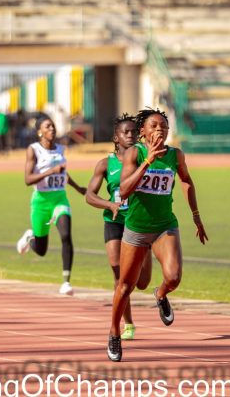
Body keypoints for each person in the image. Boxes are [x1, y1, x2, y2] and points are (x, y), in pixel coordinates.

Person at [106, 108, 208, 362]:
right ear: (143, 132)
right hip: (137, 229)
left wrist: (195, 215)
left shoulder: (175, 155)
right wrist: (147, 161)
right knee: (126, 286)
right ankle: (114, 332)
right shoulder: (134, 154)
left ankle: (160, 294)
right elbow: (125, 190)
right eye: (154, 126)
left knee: (173, 278)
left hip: (165, 227)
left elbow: (186, 180)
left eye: (164, 126)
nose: (160, 130)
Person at [85, 114, 152, 340]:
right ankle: (128, 323)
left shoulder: (144, 158)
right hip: (114, 222)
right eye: (126, 132)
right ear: (116, 137)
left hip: (139, 223)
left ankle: (147, 251)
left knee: (142, 283)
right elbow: (89, 195)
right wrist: (110, 204)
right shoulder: (105, 164)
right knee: (119, 274)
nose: (131, 136)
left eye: (134, 132)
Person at [16, 115, 86, 295]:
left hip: (59, 199)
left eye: (53, 126)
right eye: (48, 127)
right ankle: (30, 237)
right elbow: (27, 179)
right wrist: (50, 171)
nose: (52, 129)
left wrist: (78, 188)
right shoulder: (34, 150)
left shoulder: (61, 149)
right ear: (40, 131)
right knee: (41, 250)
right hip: (41, 202)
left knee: (66, 235)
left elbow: (63, 174)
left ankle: (66, 282)